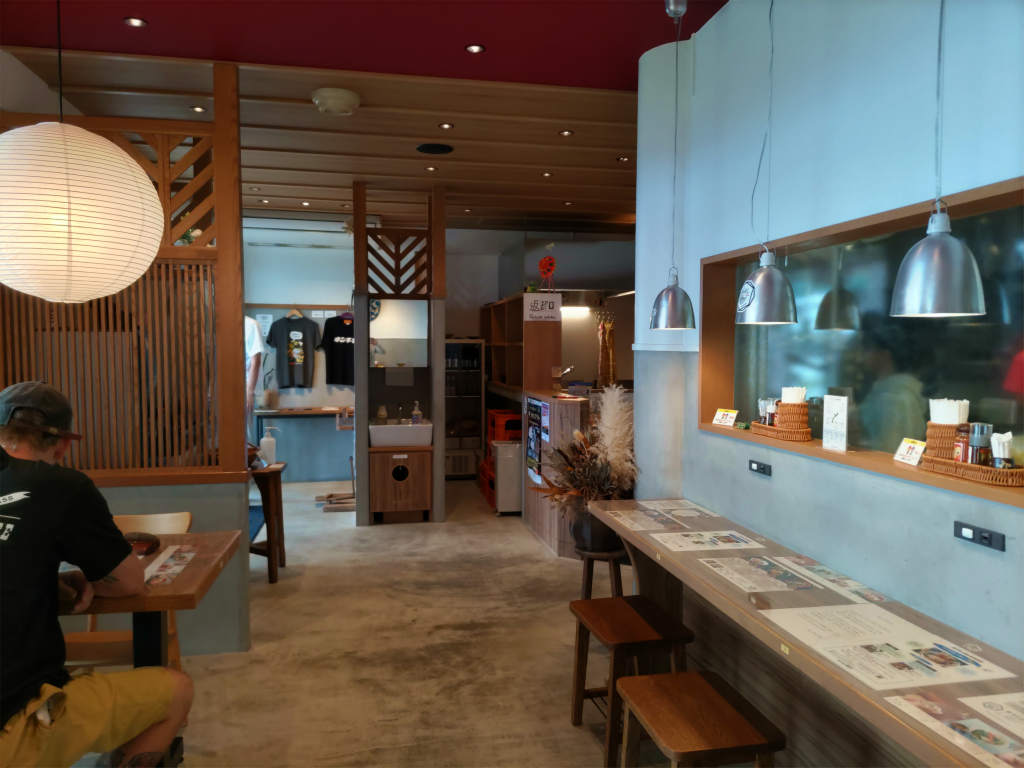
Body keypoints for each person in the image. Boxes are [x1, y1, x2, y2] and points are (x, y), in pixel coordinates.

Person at [0, 382, 193, 768]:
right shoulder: (61, 486)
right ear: (62, 445)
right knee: (176, 691)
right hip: (11, 720)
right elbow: (129, 583)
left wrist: (47, 581)